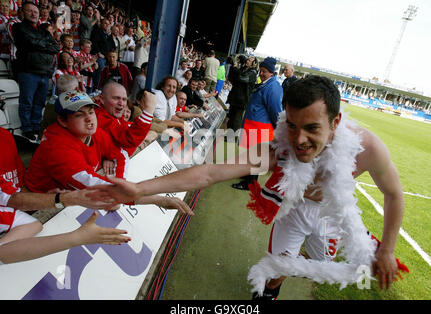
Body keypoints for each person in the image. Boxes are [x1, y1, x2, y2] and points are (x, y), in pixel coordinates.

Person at [89, 75, 405, 298]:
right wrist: (139, 188)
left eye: (312, 129)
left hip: (330, 217)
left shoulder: (369, 149)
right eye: (292, 126)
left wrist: (387, 250)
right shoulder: (279, 148)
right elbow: (209, 173)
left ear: (336, 123)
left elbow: (393, 194)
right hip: (293, 209)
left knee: (318, 265)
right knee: (276, 269)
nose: (300, 140)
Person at [0, 126, 130, 265]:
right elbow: (13, 199)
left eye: (91, 112)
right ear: (63, 121)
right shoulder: (57, 148)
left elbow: (18, 196)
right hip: (22, 203)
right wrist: (63, 201)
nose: (88, 119)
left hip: (23, 204)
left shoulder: (5, 136)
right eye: (79, 114)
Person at [232, 56, 283, 191]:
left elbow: (276, 111)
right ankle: (248, 178)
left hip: (260, 128)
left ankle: (250, 183)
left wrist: (277, 129)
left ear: (272, 72)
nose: (261, 73)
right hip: (253, 126)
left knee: (256, 157)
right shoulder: (267, 84)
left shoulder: (273, 87)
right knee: (251, 155)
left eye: (264, 71)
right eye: (260, 70)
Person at [13, 1, 60, 141]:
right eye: (30, 11)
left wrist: (40, 43)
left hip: (44, 72)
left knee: (39, 102)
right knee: (27, 101)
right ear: (23, 12)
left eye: (35, 11)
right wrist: (44, 44)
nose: (33, 14)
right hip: (27, 71)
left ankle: (35, 127)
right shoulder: (18, 27)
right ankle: (27, 129)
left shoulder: (43, 30)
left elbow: (56, 47)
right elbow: (29, 42)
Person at [95, 81, 154, 157]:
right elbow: (128, 141)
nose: (121, 103)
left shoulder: (115, 116)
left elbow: (127, 137)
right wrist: (149, 110)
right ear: (102, 99)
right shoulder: (100, 117)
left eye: (124, 99)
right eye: (116, 98)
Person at [226, 54, 258, 131]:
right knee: (231, 117)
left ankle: (233, 138)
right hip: (235, 97)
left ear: (253, 64)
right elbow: (232, 79)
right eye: (248, 59)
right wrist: (233, 67)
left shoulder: (253, 72)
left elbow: (242, 78)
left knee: (236, 119)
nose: (247, 61)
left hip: (242, 99)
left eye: (249, 60)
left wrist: (236, 68)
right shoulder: (242, 68)